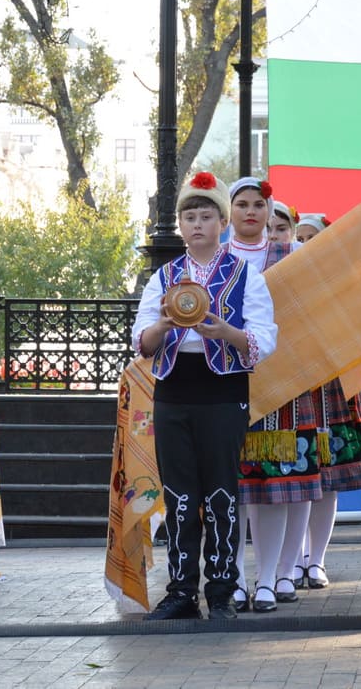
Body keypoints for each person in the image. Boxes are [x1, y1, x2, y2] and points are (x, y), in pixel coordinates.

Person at [132, 172, 277, 621]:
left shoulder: (244, 274)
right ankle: (180, 592)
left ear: (222, 222)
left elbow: (264, 339)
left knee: (220, 494)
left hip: (224, 389)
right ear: (180, 225)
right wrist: (163, 325)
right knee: (178, 495)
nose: (197, 224)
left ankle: (221, 591)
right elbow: (141, 341)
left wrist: (225, 332)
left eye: (206, 215)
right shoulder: (165, 277)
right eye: (189, 216)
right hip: (174, 389)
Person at [226, 177, 322, 614]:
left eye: (258, 204)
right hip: (224, 386)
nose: (250, 211)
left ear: (269, 211)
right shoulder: (215, 257)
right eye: (241, 204)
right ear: (229, 210)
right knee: (234, 488)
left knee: (277, 486)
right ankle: (234, 578)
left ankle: (271, 577)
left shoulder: (295, 256)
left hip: (283, 388)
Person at [287, 214, 361, 591]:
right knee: (296, 477)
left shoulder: (344, 284)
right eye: (300, 237)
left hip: (335, 391)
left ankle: (317, 560)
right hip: (295, 392)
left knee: (331, 479)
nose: (306, 244)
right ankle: (294, 559)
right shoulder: (283, 282)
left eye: (313, 238)